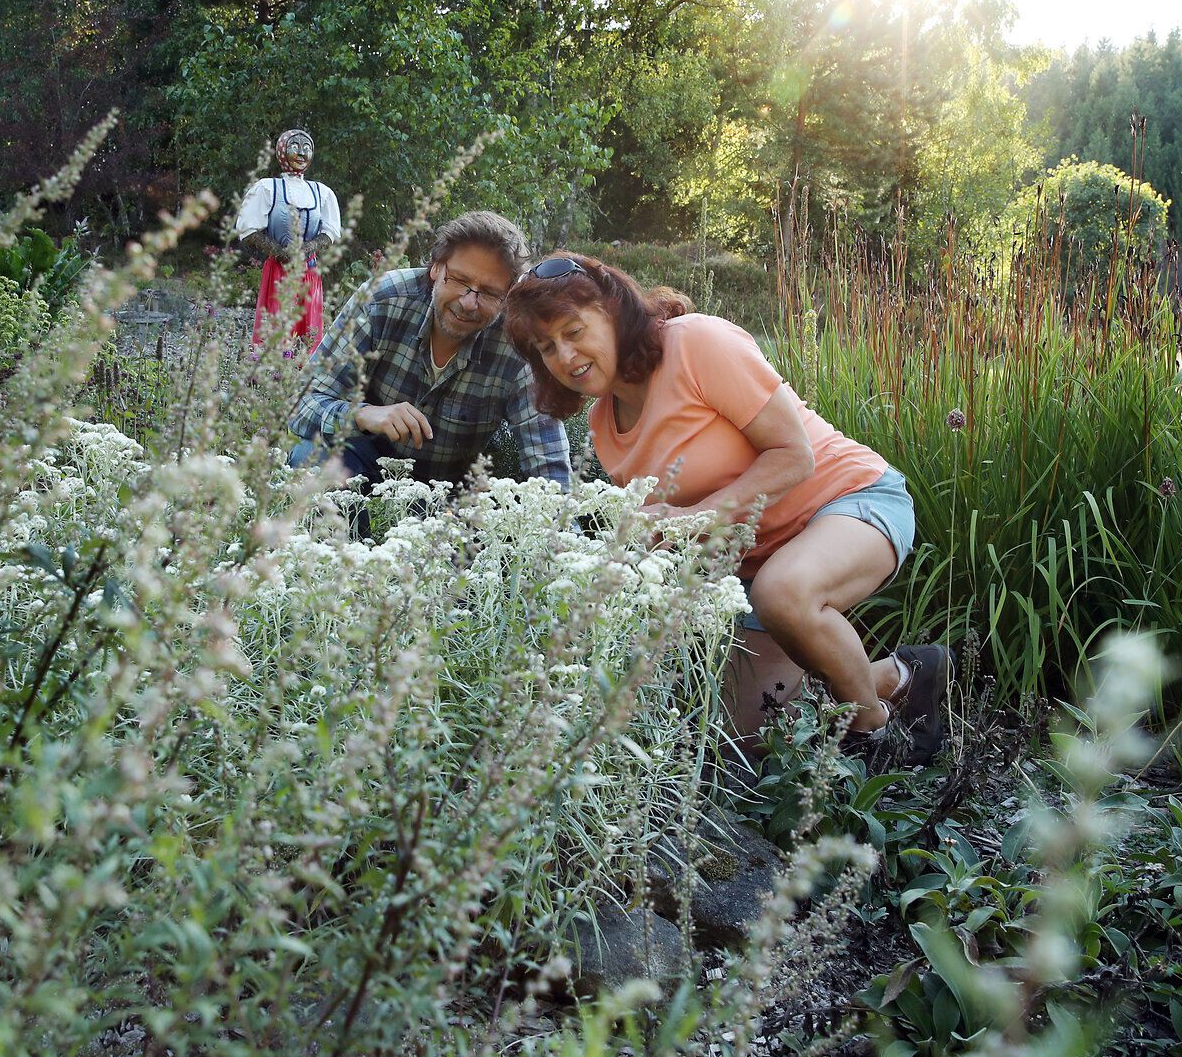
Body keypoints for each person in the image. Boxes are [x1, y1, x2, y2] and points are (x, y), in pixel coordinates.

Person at [503, 252, 949, 768]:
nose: (564, 355)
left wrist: (696, 515)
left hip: (850, 501)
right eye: (546, 348)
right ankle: (903, 677)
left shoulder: (694, 343)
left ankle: (876, 738)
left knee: (785, 594)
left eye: (574, 330)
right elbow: (680, 537)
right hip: (758, 566)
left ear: (612, 309)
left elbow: (794, 455)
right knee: (746, 741)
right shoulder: (605, 427)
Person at [288, 211, 572, 488]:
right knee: (309, 459)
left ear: (508, 295)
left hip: (447, 496)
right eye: (459, 280)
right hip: (360, 465)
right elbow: (302, 405)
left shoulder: (518, 346)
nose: (468, 302)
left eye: (488, 292)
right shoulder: (381, 300)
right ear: (436, 267)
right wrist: (363, 414)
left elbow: (548, 463)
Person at [236, 128, 343, 343]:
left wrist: (309, 248)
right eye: (296, 147)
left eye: (307, 148)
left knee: (308, 330)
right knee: (277, 327)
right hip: (279, 270)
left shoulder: (321, 192)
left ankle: (306, 373)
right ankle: (272, 372)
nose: (302, 154)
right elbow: (248, 229)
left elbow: (330, 231)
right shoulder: (268, 188)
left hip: (309, 271)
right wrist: (279, 252)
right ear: (283, 151)